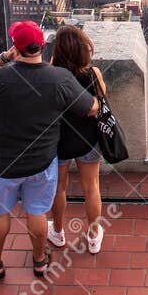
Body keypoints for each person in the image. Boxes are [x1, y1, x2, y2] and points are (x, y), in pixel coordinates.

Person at [0, 20, 98, 280]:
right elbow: (91, 107)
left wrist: (4, 58)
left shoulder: (0, 77)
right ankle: (40, 260)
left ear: (16, 48)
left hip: (2, 162)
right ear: (41, 45)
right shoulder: (59, 78)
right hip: (42, 160)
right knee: (37, 211)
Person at [48, 24, 107, 253]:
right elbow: (101, 102)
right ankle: (93, 237)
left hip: (59, 140)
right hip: (88, 137)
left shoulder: (51, 76)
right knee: (92, 187)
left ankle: (59, 231)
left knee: (59, 188)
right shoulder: (93, 74)